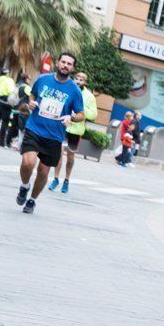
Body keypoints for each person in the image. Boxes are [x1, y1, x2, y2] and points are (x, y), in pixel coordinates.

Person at [16, 52, 84, 214]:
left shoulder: (74, 91)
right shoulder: (43, 79)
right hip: (35, 128)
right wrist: (31, 103)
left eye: (69, 64)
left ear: (72, 68)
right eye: (63, 62)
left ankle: (32, 200)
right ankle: (25, 186)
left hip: (54, 136)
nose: (65, 65)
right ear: (58, 63)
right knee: (28, 163)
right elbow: (33, 95)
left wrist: (71, 116)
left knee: (43, 172)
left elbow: (81, 115)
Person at [48, 71, 97, 193]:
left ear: (85, 82)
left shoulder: (89, 96)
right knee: (58, 154)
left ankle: (66, 180)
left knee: (70, 157)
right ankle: (55, 178)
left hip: (75, 130)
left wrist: (80, 107)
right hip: (62, 126)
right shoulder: (67, 89)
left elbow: (93, 115)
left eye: (82, 79)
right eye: (77, 78)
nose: (79, 81)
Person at [7, 72, 32, 149]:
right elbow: (32, 96)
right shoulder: (27, 87)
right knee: (21, 128)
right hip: (23, 110)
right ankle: (19, 145)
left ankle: (8, 142)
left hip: (15, 108)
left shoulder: (17, 85)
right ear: (26, 79)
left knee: (13, 125)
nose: (30, 81)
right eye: (29, 79)